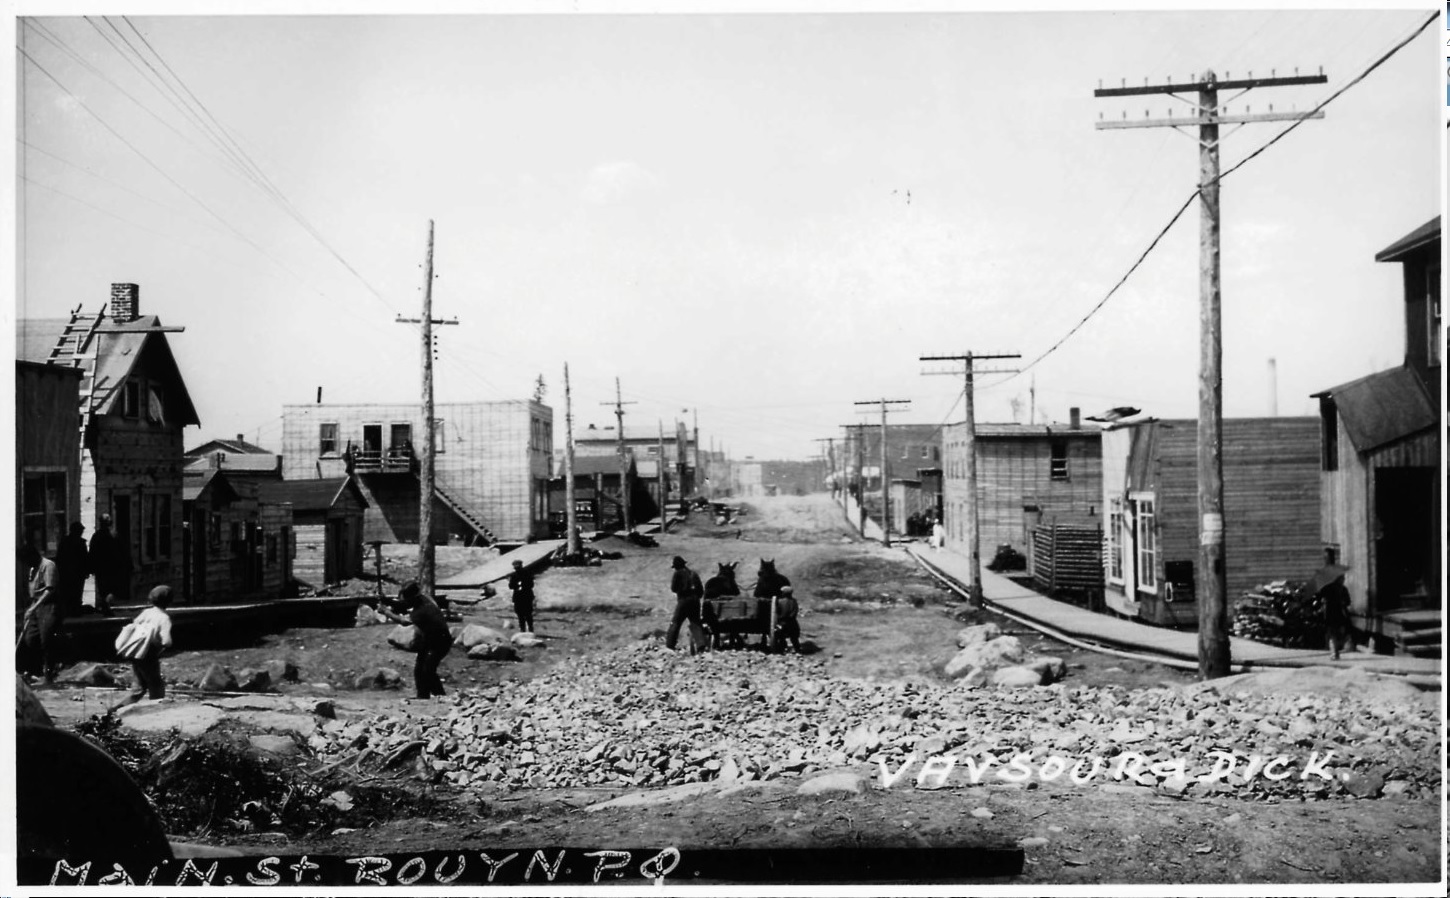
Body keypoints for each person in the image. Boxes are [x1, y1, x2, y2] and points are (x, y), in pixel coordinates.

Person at [381, 581, 453, 699]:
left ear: (413, 598)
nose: (406, 602)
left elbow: (404, 621)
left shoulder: (421, 611)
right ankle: (422, 696)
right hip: (429, 639)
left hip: (441, 642)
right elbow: (403, 604)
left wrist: (386, 612)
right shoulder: (424, 598)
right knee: (419, 669)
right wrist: (386, 601)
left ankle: (440, 696)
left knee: (428, 670)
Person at [121, 585, 175, 704]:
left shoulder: (146, 612)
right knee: (156, 687)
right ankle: (155, 711)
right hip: (149, 654)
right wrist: (162, 644)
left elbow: (135, 625)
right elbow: (166, 641)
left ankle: (114, 710)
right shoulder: (164, 618)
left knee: (139, 688)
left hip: (136, 653)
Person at [18, 544, 62, 684]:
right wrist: (30, 608)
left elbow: (50, 590)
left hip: (48, 605)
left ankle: (49, 672)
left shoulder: (48, 565)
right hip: (36, 606)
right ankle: (34, 671)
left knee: (46, 639)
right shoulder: (32, 568)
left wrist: (35, 606)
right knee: (30, 638)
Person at [665, 555, 706, 653]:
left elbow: (673, 589)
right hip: (695, 600)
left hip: (684, 600)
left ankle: (670, 645)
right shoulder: (693, 574)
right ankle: (701, 645)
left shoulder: (677, 574)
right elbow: (701, 590)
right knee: (695, 622)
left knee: (676, 622)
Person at [89, 514, 126, 615]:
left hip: (104, 567)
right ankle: (106, 606)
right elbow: (123, 551)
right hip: (111, 567)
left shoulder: (97, 536)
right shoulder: (114, 535)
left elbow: (92, 552)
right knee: (109, 588)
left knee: (104, 588)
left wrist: (92, 566)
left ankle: (106, 606)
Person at [55, 522, 90, 619]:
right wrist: (86, 570)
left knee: (71, 592)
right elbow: (84, 558)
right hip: (75, 573)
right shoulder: (79, 543)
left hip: (69, 573)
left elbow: (60, 558)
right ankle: (74, 610)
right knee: (75, 592)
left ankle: (71, 610)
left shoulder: (65, 541)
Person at [1320, 572, 1353, 660]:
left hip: (1332, 615)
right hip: (1337, 615)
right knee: (1334, 634)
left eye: (1343, 578)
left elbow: (1322, 597)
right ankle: (1335, 653)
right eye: (1342, 578)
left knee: (1334, 634)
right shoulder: (1340, 589)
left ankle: (1335, 653)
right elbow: (1348, 602)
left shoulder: (1329, 588)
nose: (1343, 580)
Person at [507, 559, 536, 633]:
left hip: (524, 596)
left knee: (526, 614)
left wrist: (521, 586)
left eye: (517, 565)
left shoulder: (525, 573)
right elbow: (510, 586)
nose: (516, 567)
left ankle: (528, 629)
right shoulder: (515, 575)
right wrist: (517, 586)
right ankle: (525, 629)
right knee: (521, 614)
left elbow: (531, 584)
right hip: (521, 596)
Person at [774, 585, 802, 653]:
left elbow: (777, 612)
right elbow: (795, 611)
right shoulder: (794, 601)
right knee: (794, 638)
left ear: (783, 593)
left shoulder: (780, 601)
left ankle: (781, 648)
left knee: (780, 636)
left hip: (782, 622)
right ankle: (797, 649)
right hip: (792, 622)